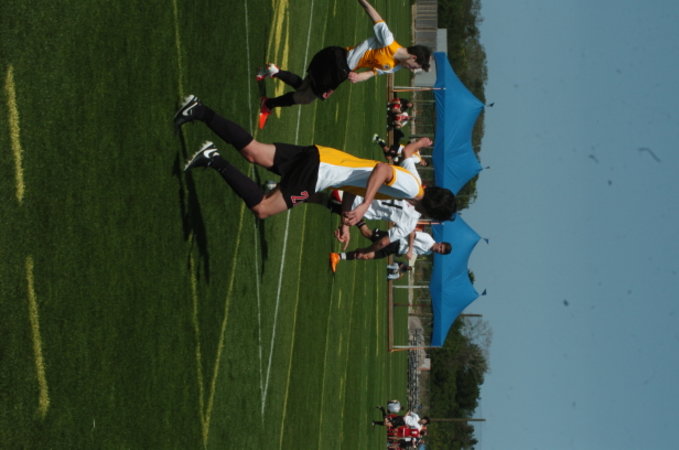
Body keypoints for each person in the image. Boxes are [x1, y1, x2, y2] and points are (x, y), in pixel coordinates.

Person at [174, 95, 456, 224]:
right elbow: (381, 169)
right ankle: (212, 158)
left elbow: (360, 179)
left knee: (254, 152)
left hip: (322, 157)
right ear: (429, 210)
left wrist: (349, 211)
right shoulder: (410, 189)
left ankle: (198, 110)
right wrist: (364, 206)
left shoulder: (414, 182)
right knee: (263, 209)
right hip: (319, 174)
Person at [256, 0, 432, 128]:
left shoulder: (395, 66)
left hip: (340, 66)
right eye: (414, 67)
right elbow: (371, 11)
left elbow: (372, 72)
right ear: (413, 57)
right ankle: (268, 104)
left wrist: (359, 77)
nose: (411, 70)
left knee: (305, 87)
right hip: (338, 63)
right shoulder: (388, 40)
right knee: (306, 97)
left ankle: (274, 72)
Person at [329, 230, 451, 272]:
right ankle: (342, 214)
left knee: (365, 256)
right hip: (394, 240)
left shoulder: (429, 252)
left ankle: (337, 256)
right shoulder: (428, 239)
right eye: (441, 247)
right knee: (366, 232)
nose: (439, 250)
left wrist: (405, 253)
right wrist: (409, 250)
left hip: (394, 249)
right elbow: (412, 233)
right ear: (440, 243)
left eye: (441, 252)